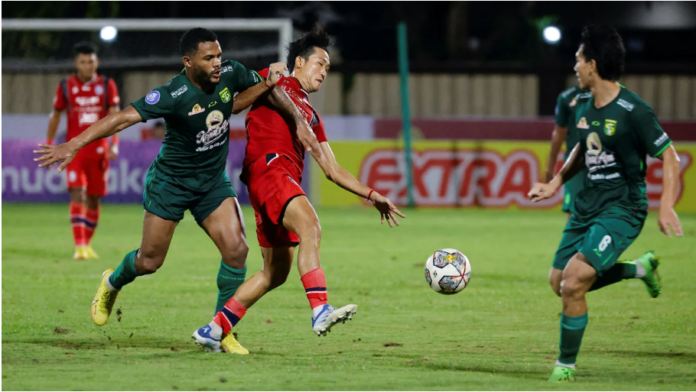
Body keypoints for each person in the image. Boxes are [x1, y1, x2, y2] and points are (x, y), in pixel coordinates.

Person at [34, 28, 312, 352]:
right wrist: (75, 143)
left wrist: (285, 106)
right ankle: (112, 281)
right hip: (171, 183)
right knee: (150, 261)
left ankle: (221, 331)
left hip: (211, 183)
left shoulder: (232, 72)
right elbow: (122, 118)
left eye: (219, 55)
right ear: (188, 61)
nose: (217, 62)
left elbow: (239, 103)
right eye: (209, 58)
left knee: (237, 251)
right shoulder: (173, 93)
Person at [193, 25, 405, 355]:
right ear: (300, 63)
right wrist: (266, 82)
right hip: (269, 168)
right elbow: (234, 105)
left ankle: (215, 328)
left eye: (328, 67)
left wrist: (371, 194)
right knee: (311, 226)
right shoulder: (273, 79)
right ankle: (320, 309)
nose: (324, 71)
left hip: (272, 182)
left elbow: (332, 169)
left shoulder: (313, 115)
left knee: (274, 273)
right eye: (320, 63)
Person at [528, 25, 683, 383]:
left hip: (622, 209)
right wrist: (555, 182)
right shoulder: (581, 103)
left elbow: (670, 157)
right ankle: (640, 269)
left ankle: (565, 367)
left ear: (593, 65)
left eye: (579, 60)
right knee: (558, 282)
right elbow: (582, 148)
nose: (575, 67)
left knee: (573, 283)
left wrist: (665, 205)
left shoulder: (634, 110)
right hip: (587, 207)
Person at [46, 41, 121, 260]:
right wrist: (50, 142)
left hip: (99, 150)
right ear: (75, 64)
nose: (88, 65)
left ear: (96, 62)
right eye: (83, 62)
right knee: (77, 193)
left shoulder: (107, 85)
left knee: (95, 198)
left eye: (91, 61)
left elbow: (116, 117)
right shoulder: (65, 86)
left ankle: (86, 244)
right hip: (74, 150)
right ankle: (79, 246)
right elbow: (56, 115)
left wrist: (114, 144)